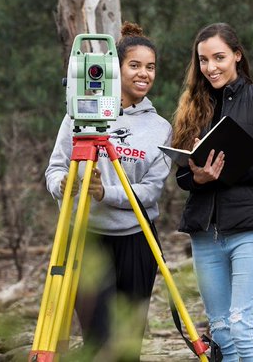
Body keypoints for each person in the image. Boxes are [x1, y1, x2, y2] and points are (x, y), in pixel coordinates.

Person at [44, 22, 172, 360]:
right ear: (115, 69)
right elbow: (55, 170)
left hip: (136, 239)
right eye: (135, 65)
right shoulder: (78, 114)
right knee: (97, 339)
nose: (144, 74)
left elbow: (149, 193)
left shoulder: (160, 128)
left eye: (150, 67)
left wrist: (105, 194)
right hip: (87, 239)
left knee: (128, 342)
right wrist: (64, 185)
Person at [172, 22, 253, 362]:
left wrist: (220, 174)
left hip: (250, 229)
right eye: (203, 60)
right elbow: (182, 177)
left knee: (240, 327)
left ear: (237, 55)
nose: (211, 67)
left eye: (219, 57)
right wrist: (199, 178)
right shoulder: (193, 104)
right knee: (220, 331)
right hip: (205, 234)